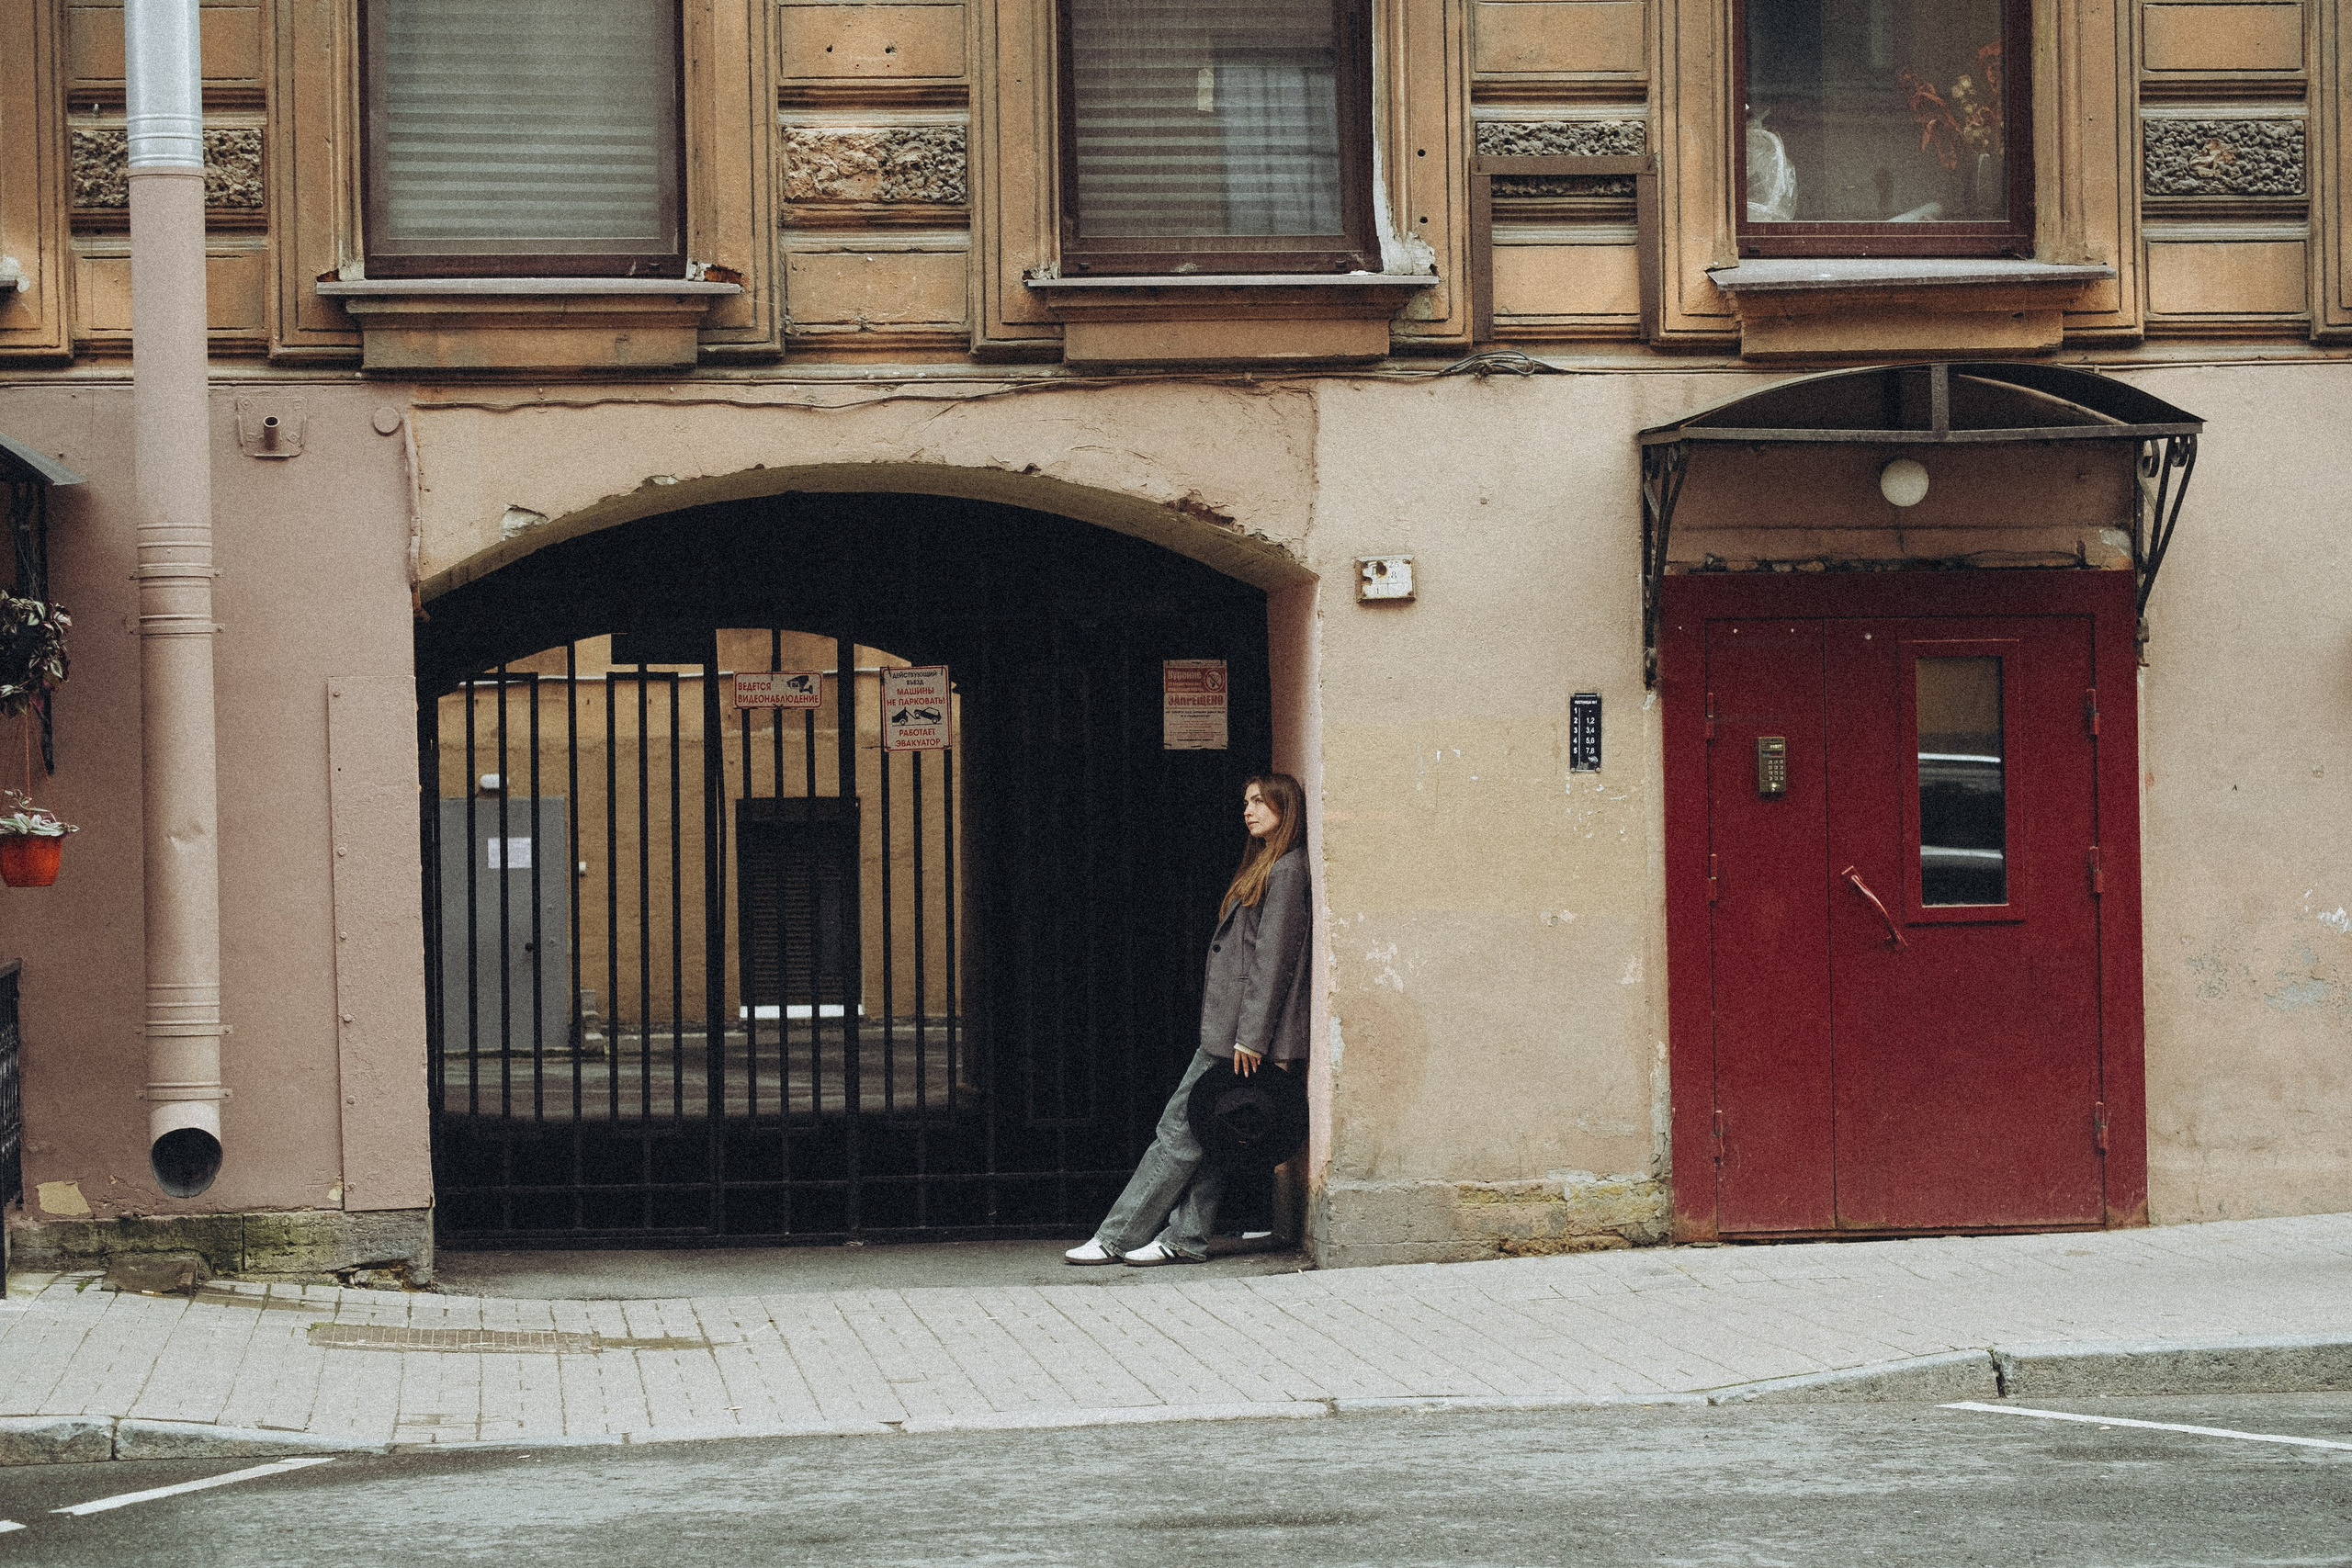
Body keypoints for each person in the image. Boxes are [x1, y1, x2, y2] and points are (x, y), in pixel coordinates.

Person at [1065, 772, 1313, 1267]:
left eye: (1261, 802)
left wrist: (1252, 1038)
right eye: (1246, 802)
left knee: (1177, 1131)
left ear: (1286, 809)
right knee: (1213, 1132)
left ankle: (1115, 1237)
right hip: (1234, 1031)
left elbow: (1274, 960)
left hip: (1239, 1036)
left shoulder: (1286, 869)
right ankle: (1186, 1238)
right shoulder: (1266, 863)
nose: (1249, 810)